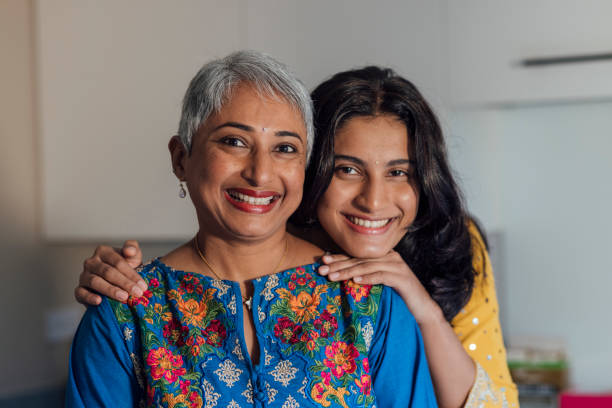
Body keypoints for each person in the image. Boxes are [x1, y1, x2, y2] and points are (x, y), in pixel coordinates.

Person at [76, 65, 518, 407]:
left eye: (399, 172)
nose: (373, 200)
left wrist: (423, 309)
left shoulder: (398, 288)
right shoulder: (125, 314)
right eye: (347, 169)